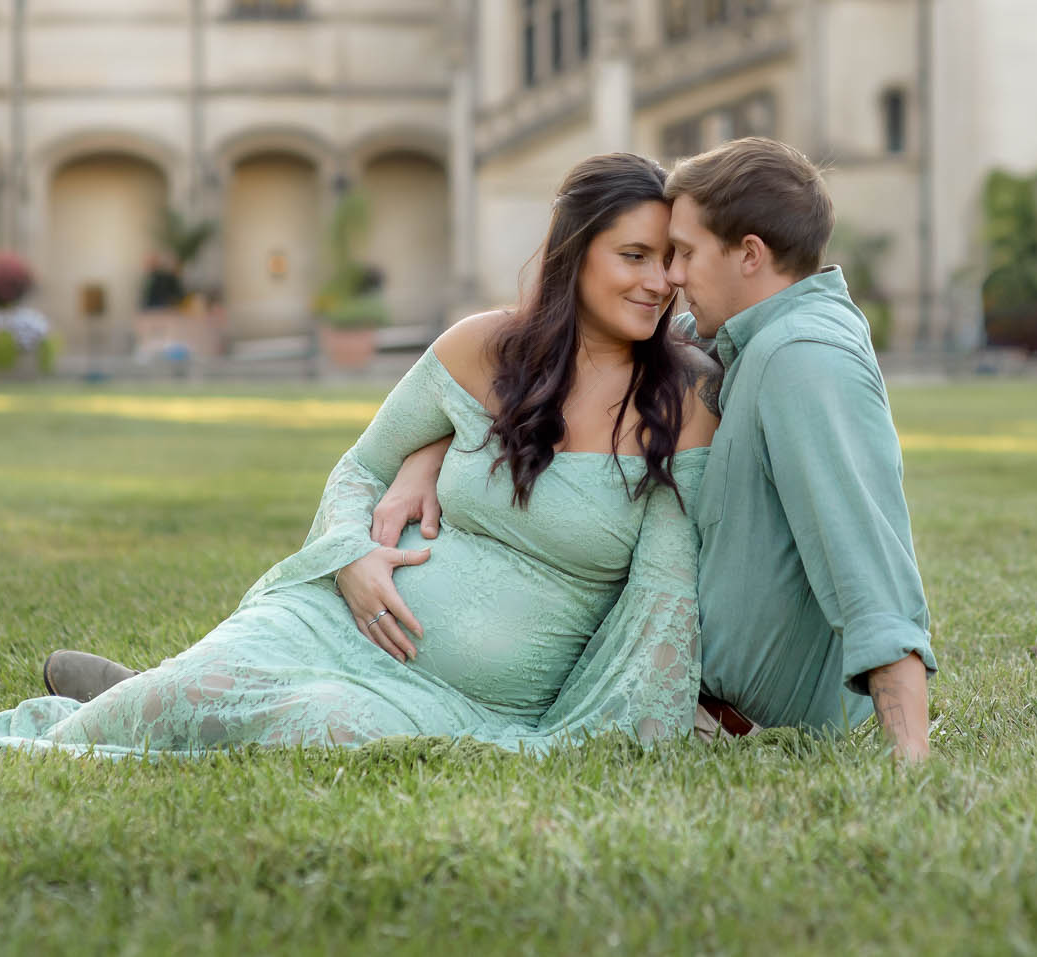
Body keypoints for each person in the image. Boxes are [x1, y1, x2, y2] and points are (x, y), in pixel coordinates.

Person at [0, 153, 718, 759]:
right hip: (332, 616)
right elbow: (358, 470)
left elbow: (664, 604)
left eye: (668, 261)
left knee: (320, 729)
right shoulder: (481, 349)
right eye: (633, 256)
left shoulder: (681, 405)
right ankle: (132, 698)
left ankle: (144, 695)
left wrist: (642, 726)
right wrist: (350, 557)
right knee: (166, 705)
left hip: (462, 697)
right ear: (576, 257)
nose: (657, 281)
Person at [372, 137, 938, 760]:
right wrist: (431, 448)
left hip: (723, 719)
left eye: (684, 253)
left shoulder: (803, 359)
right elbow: (580, 362)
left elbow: (867, 560)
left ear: (749, 255)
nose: (670, 277)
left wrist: (910, 759)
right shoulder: (745, 333)